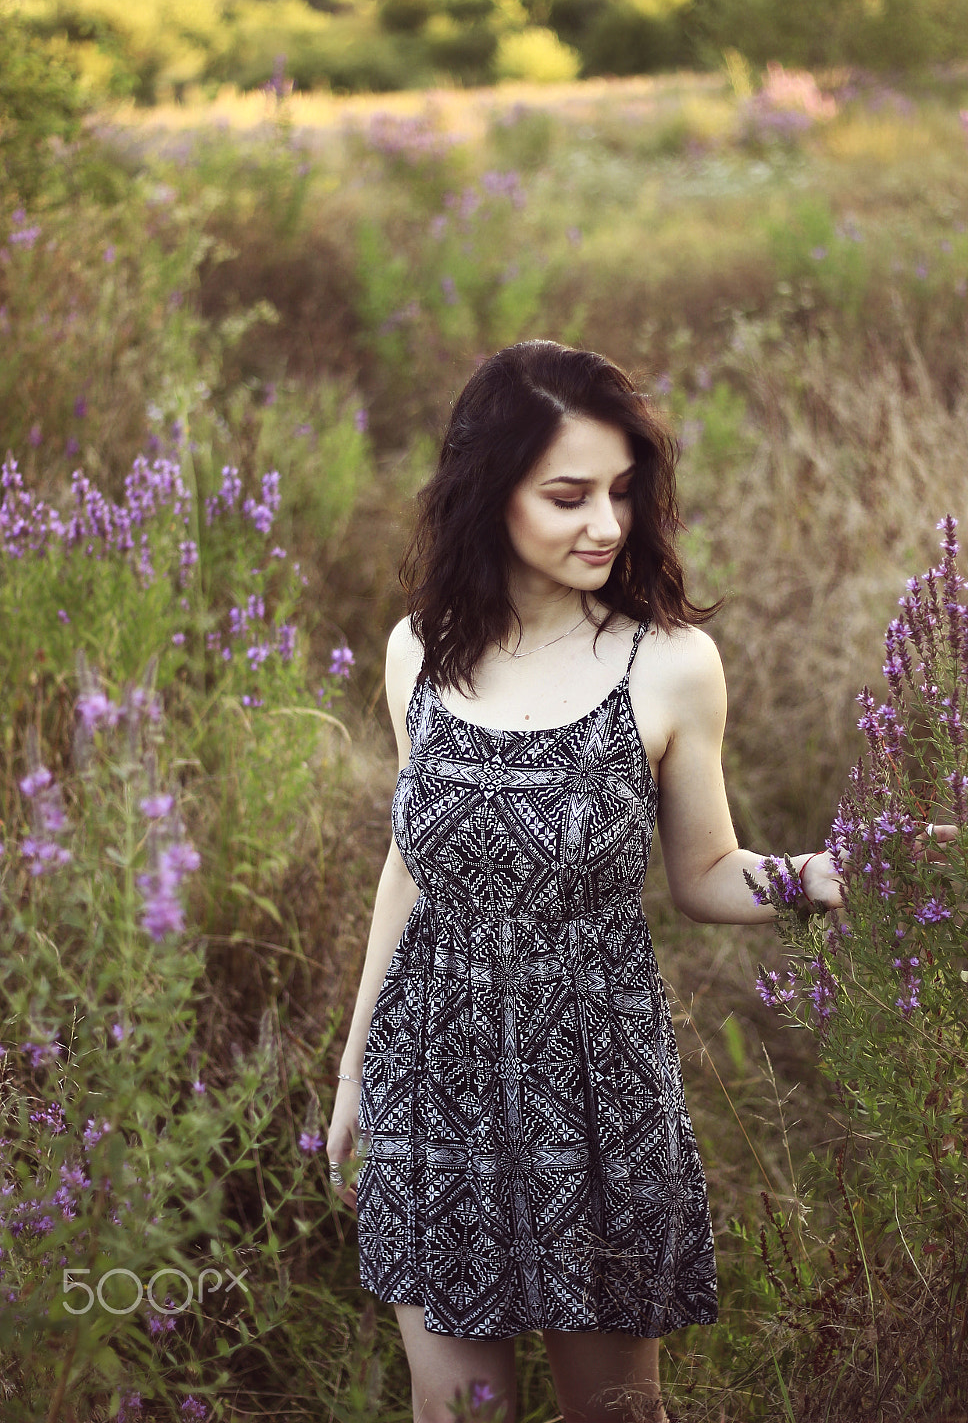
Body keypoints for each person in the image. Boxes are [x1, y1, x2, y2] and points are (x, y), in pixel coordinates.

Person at [326, 339, 847, 1423]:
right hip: (433, 1072)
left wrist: (843, 872)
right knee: (460, 1409)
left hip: (595, 1087)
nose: (605, 523)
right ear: (490, 492)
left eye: (621, 490)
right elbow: (414, 863)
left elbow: (706, 873)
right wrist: (354, 1064)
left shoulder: (665, 663)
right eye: (568, 495)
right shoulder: (417, 652)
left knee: (614, 1411)